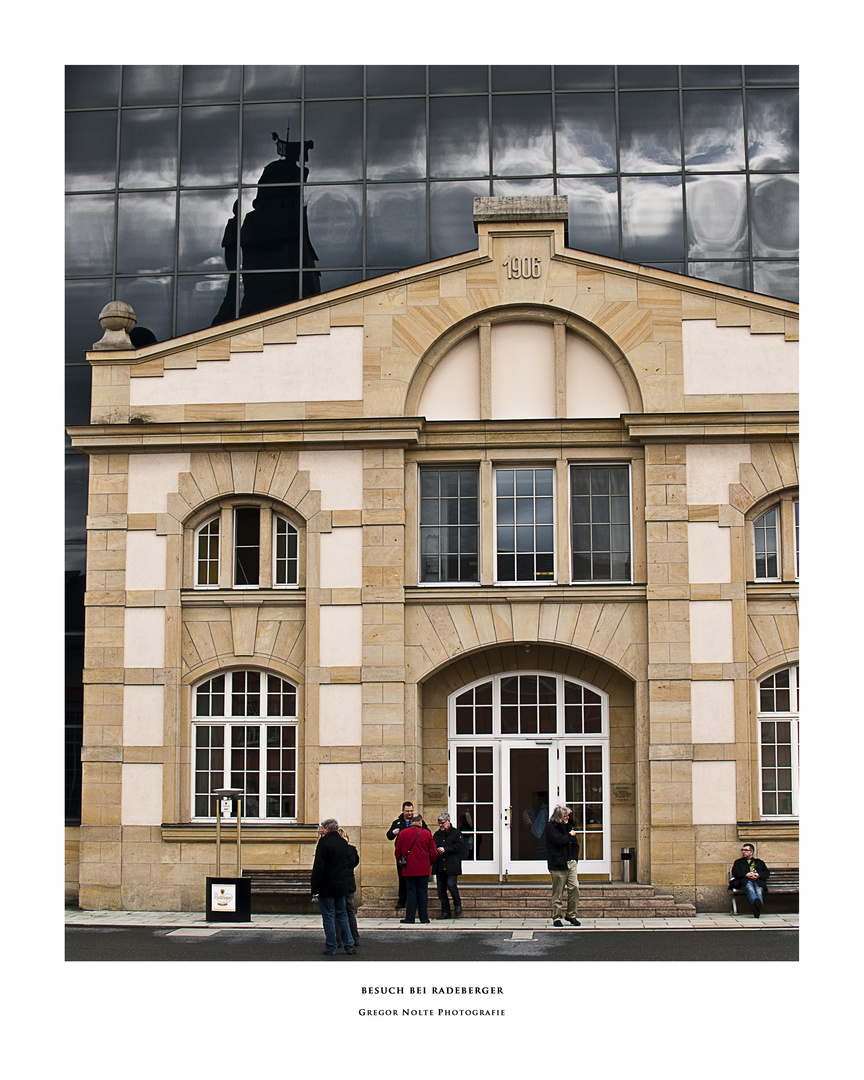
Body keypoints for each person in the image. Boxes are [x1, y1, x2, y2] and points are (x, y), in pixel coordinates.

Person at [310, 818, 356, 955]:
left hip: (327, 885)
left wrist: (315, 888)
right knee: (342, 915)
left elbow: (319, 867)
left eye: (322, 828)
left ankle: (331, 946)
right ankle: (350, 945)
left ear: (327, 829)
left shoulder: (324, 844)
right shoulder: (343, 843)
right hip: (341, 885)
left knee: (329, 916)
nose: (321, 830)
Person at [394, 814, 440, 925]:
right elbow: (433, 853)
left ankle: (410, 917)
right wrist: (429, 863)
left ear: (410, 822)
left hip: (408, 868)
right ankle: (424, 918)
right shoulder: (426, 834)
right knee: (422, 893)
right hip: (423, 868)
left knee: (411, 893)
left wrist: (402, 861)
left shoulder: (403, 834)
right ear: (420, 822)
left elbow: (397, 852)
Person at [545, 804, 581, 927]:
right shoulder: (550, 827)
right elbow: (559, 840)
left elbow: (575, 844)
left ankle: (571, 915)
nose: (567, 818)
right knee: (558, 891)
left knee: (574, 888)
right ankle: (557, 917)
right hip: (557, 863)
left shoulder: (568, 826)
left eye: (567, 815)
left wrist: (575, 858)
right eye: (565, 816)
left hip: (571, 862)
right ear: (559, 817)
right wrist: (569, 836)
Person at [432, 812, 463, 919]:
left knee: (451, 885)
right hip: (440, 864)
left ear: (448, 821)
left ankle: (457, 903)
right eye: (439, 823)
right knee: (441, 890)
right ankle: (445, 911)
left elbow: (459, 846)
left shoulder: (456, 833)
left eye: (443, 823)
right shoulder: (436, 835)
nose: (441, 825)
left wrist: (446, 849)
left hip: (452, 864)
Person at [386, 801, 417, 909]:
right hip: (402, 854)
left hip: (414, 854)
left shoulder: (417, 821)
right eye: (408, 811)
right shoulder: (397, 822)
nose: (410, 813)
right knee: (402, 877)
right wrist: (393, 833)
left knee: (413, 878)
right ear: (403, 811)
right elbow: (389, 836)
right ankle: (402, 900)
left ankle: (413, 900)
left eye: (411, 811)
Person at [729, 843, 771, 918]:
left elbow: (766, 873)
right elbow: (735, 872)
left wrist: (758, 875)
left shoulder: (759, 862)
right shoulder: (738, 862)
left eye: (746, 850)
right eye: (743, 850)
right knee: (750, 889)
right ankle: (758, 908)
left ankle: (756, 908)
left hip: (758, 881)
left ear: (751, 852)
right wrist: (746, 874)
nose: (743, 852)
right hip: (745, 881)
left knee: (758, 891)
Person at [335, 828, 360, 949]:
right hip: (349, 884)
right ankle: (355, 937)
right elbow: (354, 863)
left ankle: (338, 939)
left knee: (337, 912)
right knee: (350, 911)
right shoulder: (352, 850)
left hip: (338, 883)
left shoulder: (335, 850)